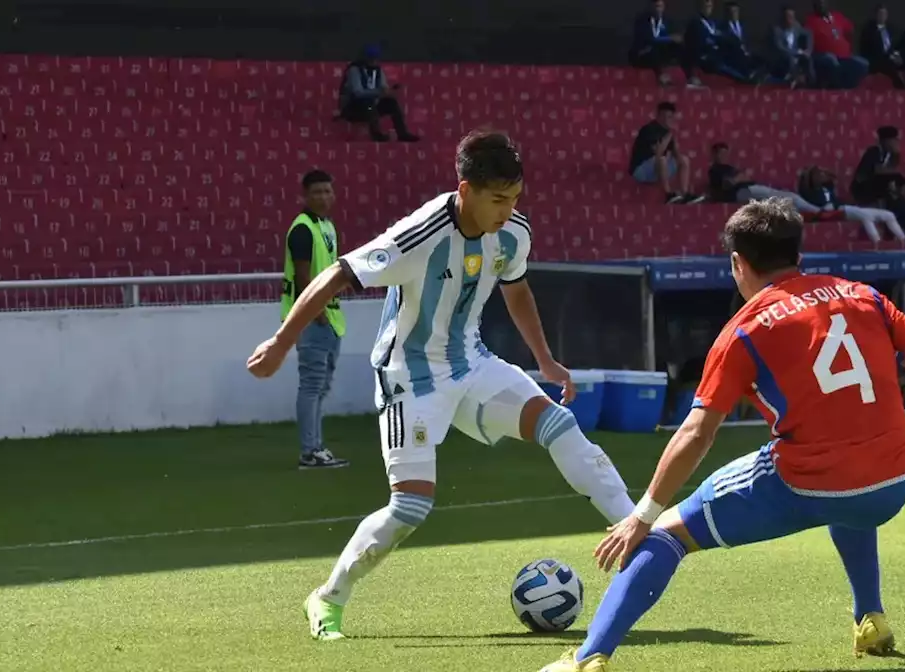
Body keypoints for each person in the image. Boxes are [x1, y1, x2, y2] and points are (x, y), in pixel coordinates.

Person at [539, 197, 905, 672]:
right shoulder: (864, 296)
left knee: (667, 536)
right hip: (894, 484)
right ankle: (871, 618)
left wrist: (643, 514)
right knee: (850, 492)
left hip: (812, 484)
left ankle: (588, 657)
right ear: (798, 256)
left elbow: (697, 433)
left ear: (738, 263)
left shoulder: (743, 332)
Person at [247, 130, 636, 641]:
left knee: (559, 424)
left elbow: (516, 290)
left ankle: (641, 538)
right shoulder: (420, 233)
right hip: (409, 378)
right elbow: (338, 275)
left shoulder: (513, 232)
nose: (508, 209)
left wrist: (545, 360)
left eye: (515, 197)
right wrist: (280, 342)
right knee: (410, 507)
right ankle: (327, 598)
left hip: (471, 363)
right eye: (498, 199)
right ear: (465, 189)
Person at [284, 170, 350, 469]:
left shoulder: (326, 226)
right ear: (305, 196)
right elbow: (302, 274)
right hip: (314, 318)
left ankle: (316, 446)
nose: (323, 197)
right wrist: (317, 311)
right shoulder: (302, 229)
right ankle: (310, 450)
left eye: (327, 191)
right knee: (312, 385)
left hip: (330, 317)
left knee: (320, 387)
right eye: (317, 192)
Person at [337, 46, 420, 142]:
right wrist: (378, 92)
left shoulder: (378, 71)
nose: (374, 61)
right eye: (371, 59)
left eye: (375, 59)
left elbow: (383, 86)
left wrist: (388, 91)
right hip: (354, 107)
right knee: (368, 105)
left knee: (391, 103)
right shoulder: (354, 70)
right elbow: (357, 92)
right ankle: (377, 135)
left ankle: (402, 134)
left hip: (373, 104)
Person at [629, 102, 704, 204]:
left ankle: (685, 194)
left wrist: (676, 147)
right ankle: (668, 194)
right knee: (662, 159)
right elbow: (658, 152)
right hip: (641, 170)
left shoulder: (668, 132)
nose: (668, 120)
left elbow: (676, 155)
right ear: (659, 115)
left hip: (657, 169)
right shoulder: (649, 129)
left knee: (684, 160)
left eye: (670, 117)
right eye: (665, 116)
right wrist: (670, 134)